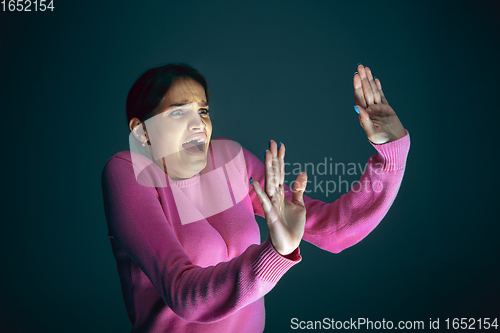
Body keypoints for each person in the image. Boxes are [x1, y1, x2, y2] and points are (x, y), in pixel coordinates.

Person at [101, 63, 410, 332]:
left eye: (203, 110)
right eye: (178, 112)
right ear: (141, 132)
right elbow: (183, 293)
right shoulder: (129, 172)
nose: (198, 124)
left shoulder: (228, 159)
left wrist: (392, 153)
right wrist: (275, 253)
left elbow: (335, 231)